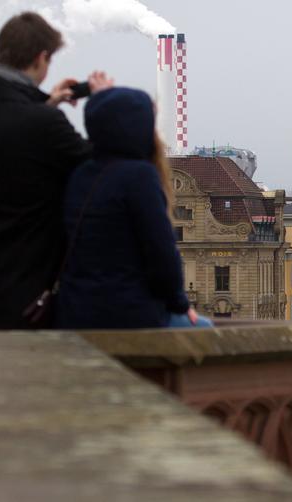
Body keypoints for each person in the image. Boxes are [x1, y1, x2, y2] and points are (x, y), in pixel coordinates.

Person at [0, 12, 113, 329]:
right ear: (41, 57)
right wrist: (105, 103)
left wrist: (44, 103)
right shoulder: (44, 125)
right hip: (31, 296)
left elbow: (6, 138)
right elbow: (102, 166)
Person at [55, 87, 209, 329]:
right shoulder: (139, 176)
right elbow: (162, 255)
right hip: (127, 313)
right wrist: (179, 304)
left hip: (74, 310)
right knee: (204, 331)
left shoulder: (81, 174)